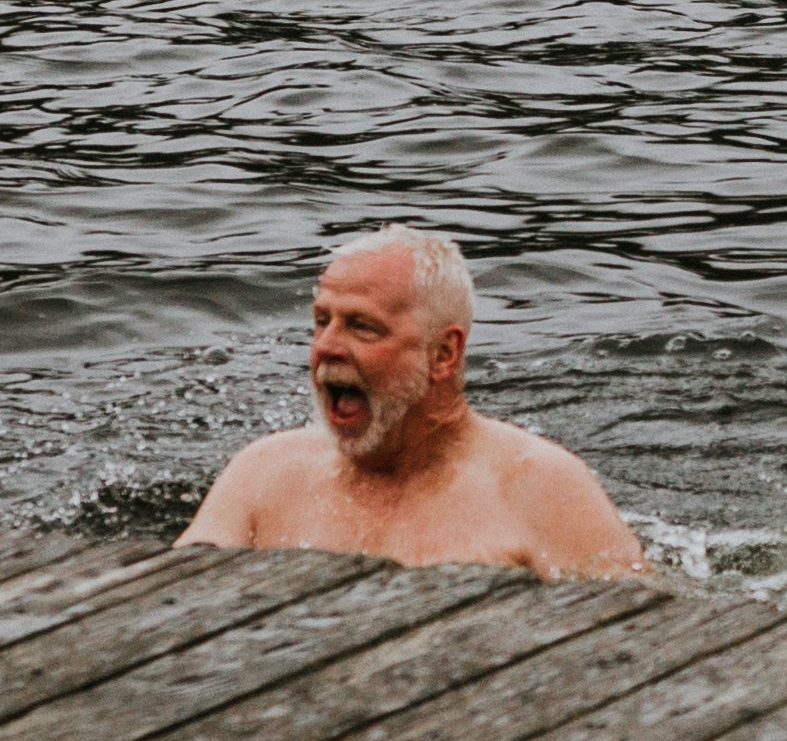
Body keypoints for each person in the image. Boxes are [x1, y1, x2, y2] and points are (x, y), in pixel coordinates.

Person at [179, 227, 651, 580]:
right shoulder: (264, 473)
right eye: (322, 321)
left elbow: (643, 637)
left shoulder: (538, 488)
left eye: (362, 326)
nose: (326, 346)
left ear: (443, 354)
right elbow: (168, 598)